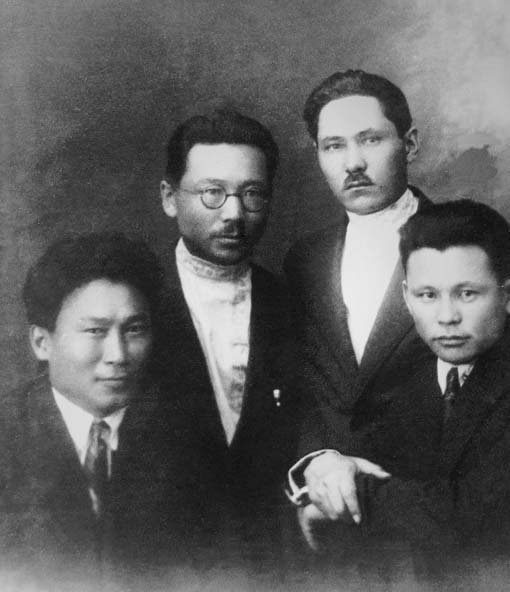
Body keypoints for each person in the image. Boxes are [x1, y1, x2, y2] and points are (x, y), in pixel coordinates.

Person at [293, 200, 510, 586]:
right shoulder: (417, 380)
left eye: (467, 294)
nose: (446, 317)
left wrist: (351, 496)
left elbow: (472, 515)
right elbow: (364, 457)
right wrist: (330, 467)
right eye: (428, 295)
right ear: (406, 296)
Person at [155, 109, 302, 571]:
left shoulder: (290, 306)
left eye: (252, 194)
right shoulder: (137, 301)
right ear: (170, 198)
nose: (235, 214)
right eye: (212, 193)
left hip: (269, 559)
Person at [0, 233, 183, 590]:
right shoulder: (6, 436)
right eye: (96, 331)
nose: (118, 355)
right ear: (42, 342)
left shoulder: (184, 439)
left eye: (134, 330)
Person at [284, 70, 434, 460]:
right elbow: (299, 391)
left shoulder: (467, 244)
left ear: (410, 144)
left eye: (370, 139)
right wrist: (316, 462)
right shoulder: (306, 260)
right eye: (334, 146)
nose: (353, 163)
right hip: (327, 488)